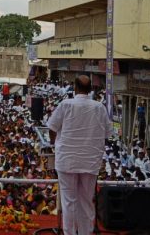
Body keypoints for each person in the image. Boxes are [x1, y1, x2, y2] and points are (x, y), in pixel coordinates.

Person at [47, 75, 112, 235]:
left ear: (74, 87)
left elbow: (52, 128)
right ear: (90, 89)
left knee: (69, 202)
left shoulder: (65, 104)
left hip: (67, 160)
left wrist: (54, 144)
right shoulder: (99, 107)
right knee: (86, 201)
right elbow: (107, 134)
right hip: (90, 161)